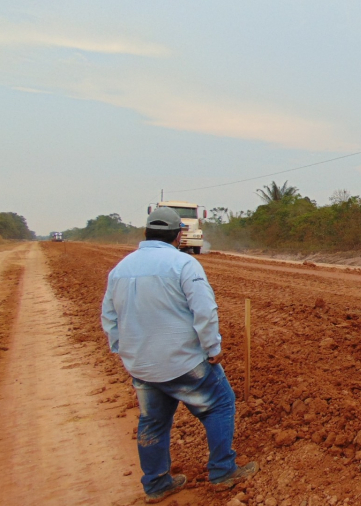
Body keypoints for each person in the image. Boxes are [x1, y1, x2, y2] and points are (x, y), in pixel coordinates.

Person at [101, 207, 257, 504]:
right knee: (220, 403)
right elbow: (205, 310)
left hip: (142, 366)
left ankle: (157, 484)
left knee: (153, 421)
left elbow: (109, 317)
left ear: (145, 233)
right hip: (184, 361)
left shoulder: (119, 269)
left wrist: (123, 351)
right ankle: (223, 471)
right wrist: (213, 348)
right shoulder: (184, 264)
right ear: (178, 236)